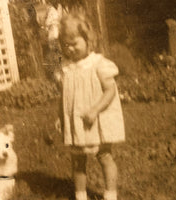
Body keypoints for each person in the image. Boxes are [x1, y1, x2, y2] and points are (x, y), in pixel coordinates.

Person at [55, 11, 125, 200]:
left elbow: (110, 90)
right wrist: (60, 117)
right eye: (65, 45)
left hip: (97, 119)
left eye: (74, 43)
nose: (69, 49)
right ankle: (80, 195)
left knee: (104, 156)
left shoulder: (98, 64)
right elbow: (63, 98)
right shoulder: (66, 69)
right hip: (77, 122)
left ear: (87, 39)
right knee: (77, 159)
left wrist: (95, 109)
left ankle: (110, 194)